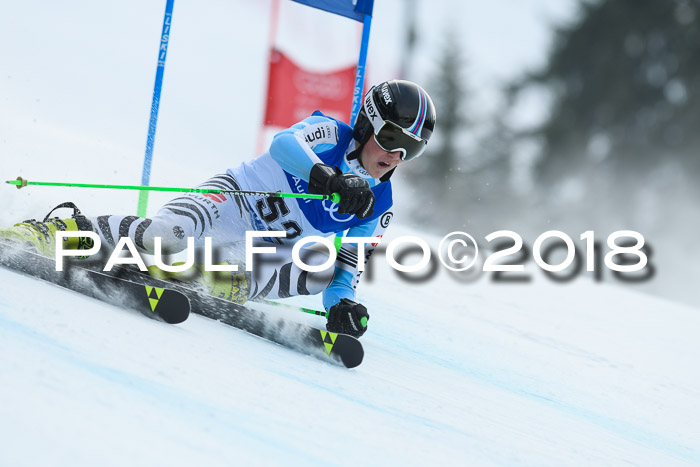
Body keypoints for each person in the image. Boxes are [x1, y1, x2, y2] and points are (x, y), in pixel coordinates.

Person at [0, 79, 437, 338]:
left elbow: (346, 270)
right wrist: (326, 177)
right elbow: (283, 145)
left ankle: (199, 275)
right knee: (164, 237)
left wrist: (340, 305)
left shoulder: (379, 207)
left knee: (319, 267)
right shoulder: (330, 134)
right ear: (367, 125)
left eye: (411, 151)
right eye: (394, 139)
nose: (398, 156)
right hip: (233, 199)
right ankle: (62, 230)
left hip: (263, 248)